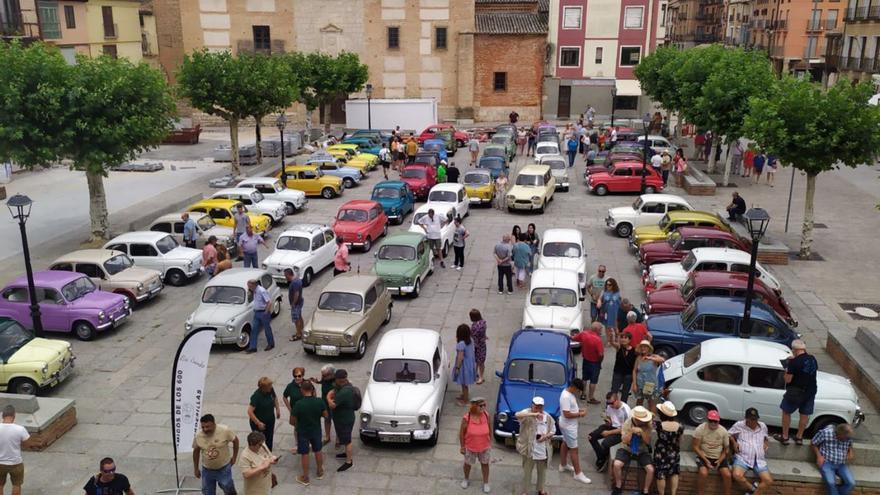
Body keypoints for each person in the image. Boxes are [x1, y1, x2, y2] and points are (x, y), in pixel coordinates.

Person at [775, 339, 818, 445]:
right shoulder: (812, 359)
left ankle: (785, 437)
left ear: (794, 350)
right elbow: (805, 368)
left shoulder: (793, 363)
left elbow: (788, 379)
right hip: (810, 391)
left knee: (786, 412)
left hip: (795, 392)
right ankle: (799, 437)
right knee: (804, 415)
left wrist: (787, 367)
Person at [610, 405, 655, 495]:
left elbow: (648, 442)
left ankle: (645, 490)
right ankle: (618, 485)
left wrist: (642, 432)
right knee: (616, 464)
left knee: (650, 470)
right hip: (627, 448)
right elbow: (624, 440)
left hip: (642, 450)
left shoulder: (648, 425)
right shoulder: (627, 423)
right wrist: (631, 431)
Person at [516, 397, 556, 495]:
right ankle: (525, 491)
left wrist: (545, 436)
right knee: (527, 472)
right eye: (536, 406)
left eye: (540, 407)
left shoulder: (547, 416)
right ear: (532, 405)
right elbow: (517, 414)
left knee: (542, 472)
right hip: (529, 449)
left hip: (542, 449)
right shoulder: (527, 413)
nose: (538, 408)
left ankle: (541, 489)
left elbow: (553, 430)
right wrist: (533, 414)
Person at [729, 408, 774, 495]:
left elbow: (766, 437)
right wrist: (734, 443)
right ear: (746, 418)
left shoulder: (763, 426)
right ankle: (753, 488)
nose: (754, 421)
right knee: (737, 475)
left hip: (759, 460)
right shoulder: (739, 425)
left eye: (756, 419)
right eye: (752, 419)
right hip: (743, 458)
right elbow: (729, 434)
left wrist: (765, 443)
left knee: (768, 481)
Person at [291, 381, 328, 486]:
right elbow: (325, 415)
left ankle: (305, 477)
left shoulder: (298, 404)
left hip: (303, 431)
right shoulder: (319, 401)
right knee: (318, 450)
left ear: (302, 390)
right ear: (312, 390)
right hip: (316, 430)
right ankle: (320, 471)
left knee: (305, 453)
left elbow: (292, 421)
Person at [192, 414, 239, 495]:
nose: (205, 429)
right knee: (207, 491)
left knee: (228, 488)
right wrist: (196, 468)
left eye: (208, 426)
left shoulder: (225, 430)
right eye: (203, 427)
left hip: (224, 469)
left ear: (214, 424)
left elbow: (235, 440)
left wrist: (234, 457)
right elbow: (196, 452)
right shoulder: (198, 436)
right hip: (207, 470)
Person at [557, 378, 592, 484]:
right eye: (578, 390)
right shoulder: (566, 397)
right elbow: (567, 414)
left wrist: (579, 410)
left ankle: (563, 464)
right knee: (574, 450)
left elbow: (570, 409)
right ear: (574, 387)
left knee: (565, 442)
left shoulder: (567, 393)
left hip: (566, 425)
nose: (578, 392)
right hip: (569, 427)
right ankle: (578, 473)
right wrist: (580, 414)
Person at [589, 392, 631, 472]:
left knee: (605, 443)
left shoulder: (625, 411)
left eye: (612, 403)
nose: (610, 405)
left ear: (617, 400)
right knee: (591, 436)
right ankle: (602, 457)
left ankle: (602, 459)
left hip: (620, 432)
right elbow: (609, 417)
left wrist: (608, 433)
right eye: (608, 403)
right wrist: (608, 421)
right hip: (611, 426)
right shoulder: (609, 406)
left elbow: (625, 429)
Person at [693, 410, 732, 495]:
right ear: (707, 420)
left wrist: (720, 460)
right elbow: (695, 446)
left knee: (727, 475)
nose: (713, 423)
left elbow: (726, 449)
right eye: (711, 421)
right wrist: (706, 460)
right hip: (704, 455)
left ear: (718, 421)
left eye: (715, 421)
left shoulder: (723, 431)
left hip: (719, 456)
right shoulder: (700, 428)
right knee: (703, 473)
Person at [459, 397, 492, 493]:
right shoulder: (467, 418)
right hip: (470, 446)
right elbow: (461, 433)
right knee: (467, 464)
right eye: (480, 406)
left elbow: (489, 428)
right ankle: (466, 479)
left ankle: (486, 482)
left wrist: (490, 442)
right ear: (474, 406)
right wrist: (462, 446)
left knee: (485, 464)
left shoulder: (486, 415)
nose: (483, 407)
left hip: (484, 446)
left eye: (484, 405)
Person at [812, 422, 855, 495]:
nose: (847, 440)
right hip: (827, 462)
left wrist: (850, 452)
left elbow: (850, 446)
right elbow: (813, 443)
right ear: (838, 435)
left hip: (841, 464)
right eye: (845, 438)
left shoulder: (848, 437)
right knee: (831, 483)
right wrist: (819, 456)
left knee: (851, 483)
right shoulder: (825, 433)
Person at [326, 369, 356, 472]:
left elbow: (332, 405)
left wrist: (328, 398)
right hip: (343, 418)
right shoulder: (345, 386)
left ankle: (349, 461)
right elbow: (334, 391)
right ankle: (346, 454)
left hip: (345, 419)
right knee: (344, 438)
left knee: (347, 441)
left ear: (339, 380)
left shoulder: (345, 392)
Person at [653, 401, 683, 495]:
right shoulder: (680, 426)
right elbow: (680, 441)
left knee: (661, 474)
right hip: (674, 451)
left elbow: (649, 423)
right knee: (674, 472)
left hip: (661, 452)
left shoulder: (659, 425)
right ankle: (673, 493)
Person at [571, 322, 604, 404]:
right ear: (597, 330)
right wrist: (600, 362)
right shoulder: (598, 340)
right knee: (593, 381)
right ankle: (591, 397)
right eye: (601, 329)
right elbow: (601, 354)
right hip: (595, 363)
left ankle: (583, 394)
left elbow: (573, 338)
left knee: (584, 378)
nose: (601, 331)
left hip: (586, 360)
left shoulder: (583, 334)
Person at [0, 406, 28, 495]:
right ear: (14, 415)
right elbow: (27, 443)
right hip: (16, 463)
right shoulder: (20, 429)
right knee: (16, 485)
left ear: (2, 415)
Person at [248, 377, 280, 451]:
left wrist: (277, 409)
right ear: (263, 388)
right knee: (260, 441)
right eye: (269, 386)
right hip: (259, 422)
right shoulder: (256, 396)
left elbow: (275, 398)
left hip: (270, 420)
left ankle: (269, 454)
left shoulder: (270, 390)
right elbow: (250, 411)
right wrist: (258, 423)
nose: (271, 387)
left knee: (269, 438)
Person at [633, 340, 664, 413]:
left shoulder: (654, 357)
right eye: (642, 347)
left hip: (650, 385)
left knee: (651, 403)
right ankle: (638, 417)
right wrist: (634, 384)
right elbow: (634, 371)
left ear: (649, 348)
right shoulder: (638, 358)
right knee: (639, 401)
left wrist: (650, 358)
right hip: (640, 383)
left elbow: (662, 360)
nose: (643, 348)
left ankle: (651, 421)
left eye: (645, 347)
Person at [246, 279, 275, 353]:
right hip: (257, 313)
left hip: (263, 312)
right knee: (254, 329)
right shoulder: (254, 290)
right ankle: (253, 347)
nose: (249, 287)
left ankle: (271, 344)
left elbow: (269, 302)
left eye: (249, 286)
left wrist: (266, 312)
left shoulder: (262, 291)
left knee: (267, 329)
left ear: (254, 285)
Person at [453, 324, 477, 405]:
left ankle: (465, 400)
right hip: (469, 364)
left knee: (464, 383)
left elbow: (460, 357)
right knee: (464, 383)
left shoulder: (461, 344)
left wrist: (457, 367)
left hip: (464, 367)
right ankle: (464, 395)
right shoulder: (470, 340)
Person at [610, 331, 637, 402]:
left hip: (628, 374)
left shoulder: (635, 350)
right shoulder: (619, 347)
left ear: (629, 340)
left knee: (625, 392)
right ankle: (610, 406)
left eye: (625, 338)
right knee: (614, 390)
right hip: (618, 373)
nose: (623, 339)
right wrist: (612, 335)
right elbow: (612, 342)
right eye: (622, 337)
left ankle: (622, 408)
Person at [313, 364, 336, 445]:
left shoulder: (337, 380)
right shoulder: (325, 377)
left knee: (336, 421)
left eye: (324, 375)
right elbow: (323, 381)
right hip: (325, 402)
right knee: (327, 419)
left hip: (333, 403)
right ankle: (327, 437)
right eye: (322, 374)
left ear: (331, 374)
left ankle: (338, 440)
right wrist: (317, 381)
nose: (322, 376)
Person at [283, 367, 306, 439]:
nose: (297, 378)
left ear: (303, 375)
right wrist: (290, 409)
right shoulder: (290, 386)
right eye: (295, 376)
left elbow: (314, 395)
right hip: (295, 411)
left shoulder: (307, 384)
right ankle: (297, 442)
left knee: (306, 426)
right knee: (296, 427)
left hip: (306, 410)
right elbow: (284, 397)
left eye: (299, 376)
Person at [597, 278, 622, 342]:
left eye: (610, 285)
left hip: (615, 313)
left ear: (613, 285)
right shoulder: (604, 292)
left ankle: (616, 338)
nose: (608, 286)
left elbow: (621, 302)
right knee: (607, 327)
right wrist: (599, 302)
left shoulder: (617, 293)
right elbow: (600, 298)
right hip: (606, 312)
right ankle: (609, 340)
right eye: (607, 284)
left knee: (615, 327)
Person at [285, 268, 304, 341]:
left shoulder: (294, 283)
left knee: (296, 319)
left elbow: (296, 294)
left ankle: (298, 334)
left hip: (296, 304)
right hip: (300, 302)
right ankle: (301, 330)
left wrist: (293, 303)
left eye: (285, 275)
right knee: (299, 316)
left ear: (288, 275)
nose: (285, 277)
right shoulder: (297, 279)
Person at [469, 309, 488, 385]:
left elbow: (472, 335)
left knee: (478, 362)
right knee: (480, 361)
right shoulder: (483, 322)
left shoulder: (475, 327)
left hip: (477, 346)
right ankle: (478, 375)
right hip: (482, 345)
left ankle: (480, 377)